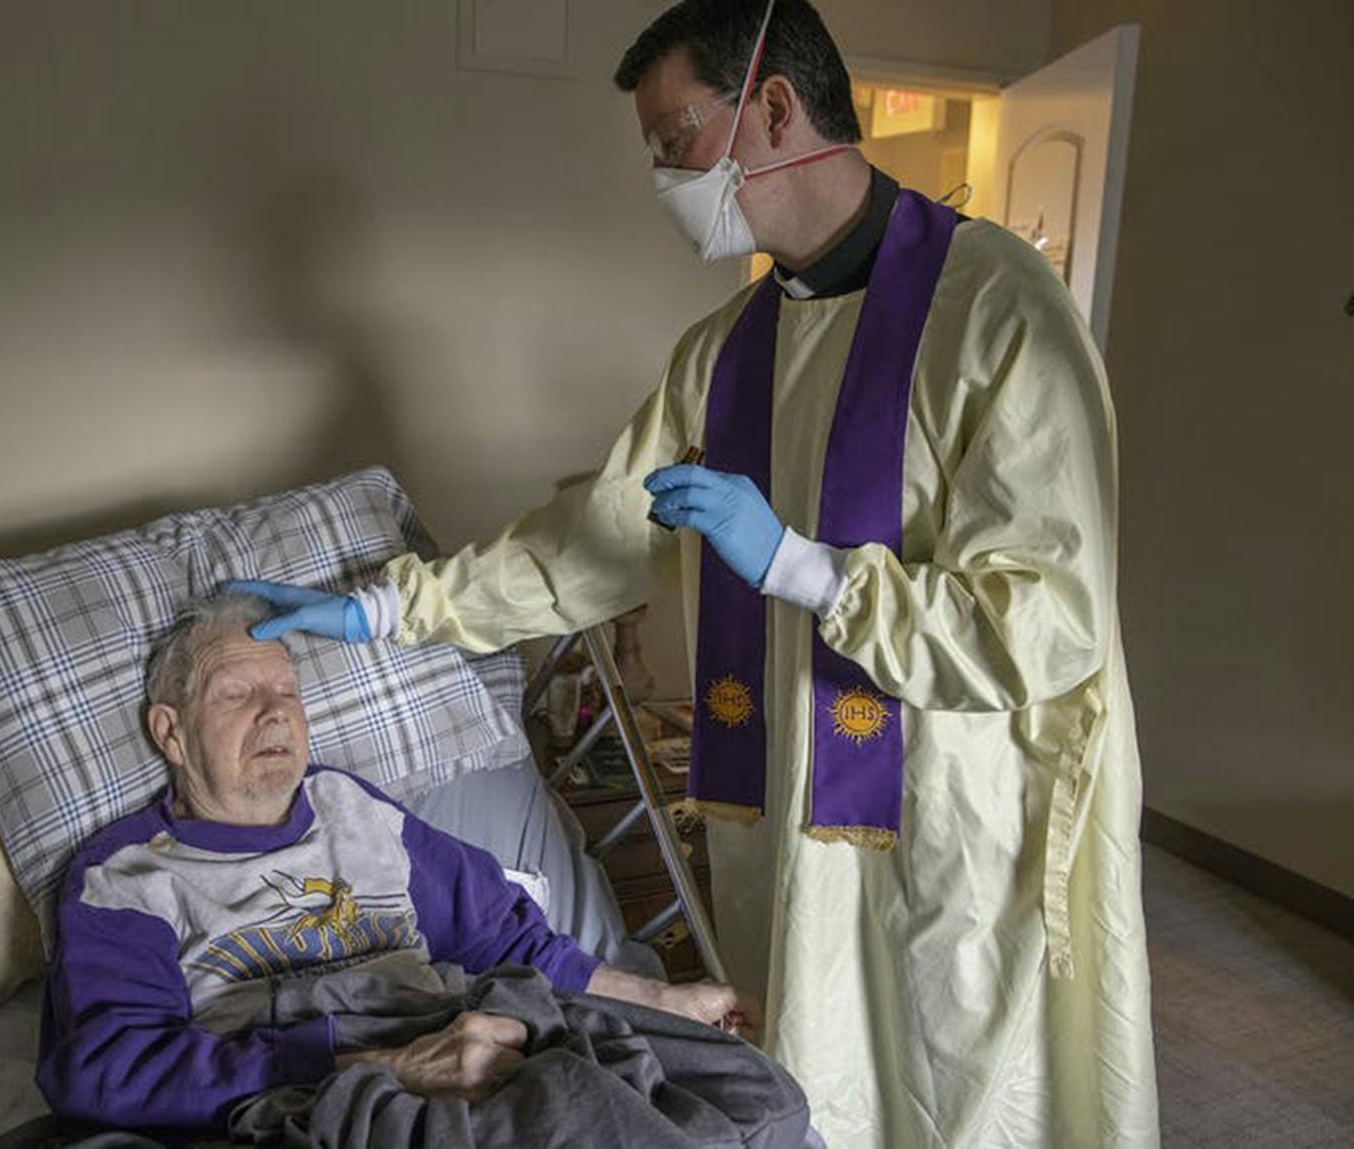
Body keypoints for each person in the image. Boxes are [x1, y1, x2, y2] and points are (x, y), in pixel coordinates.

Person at [236, 1, 1159, 1144]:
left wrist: (799, 567)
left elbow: (1042, 628)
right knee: (806, 1074)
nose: (664, 177)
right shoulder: (724, 353)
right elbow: (588, 547)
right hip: (781, 813)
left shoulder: (996, 309)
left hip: (947, 817)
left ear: (772, 106)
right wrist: (384, 606)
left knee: (951, 1085)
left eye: (674, 141)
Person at [36, 593, 809, 1146]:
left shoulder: (353, 808)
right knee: (582, 1111)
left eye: (288, 691)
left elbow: (507, 938)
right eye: (238, 692)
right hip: (327, 1080)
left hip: (477, 1026)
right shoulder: (127, 875)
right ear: (169, 731)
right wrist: (387, 1063)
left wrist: (669, 998)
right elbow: (108, 1069)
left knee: (761, 1092)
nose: (275, 712)